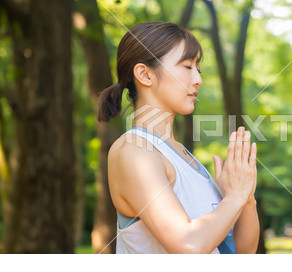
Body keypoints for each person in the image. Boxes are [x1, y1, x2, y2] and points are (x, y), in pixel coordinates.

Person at [97, 22, 259, 254]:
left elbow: (241, 253)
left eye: (198, 69)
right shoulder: (133, 152)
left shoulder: (184, 156)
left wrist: (246, 199)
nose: (198, 80)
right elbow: (188, 246)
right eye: (187, 66)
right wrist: (234, 197)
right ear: (144, 74)